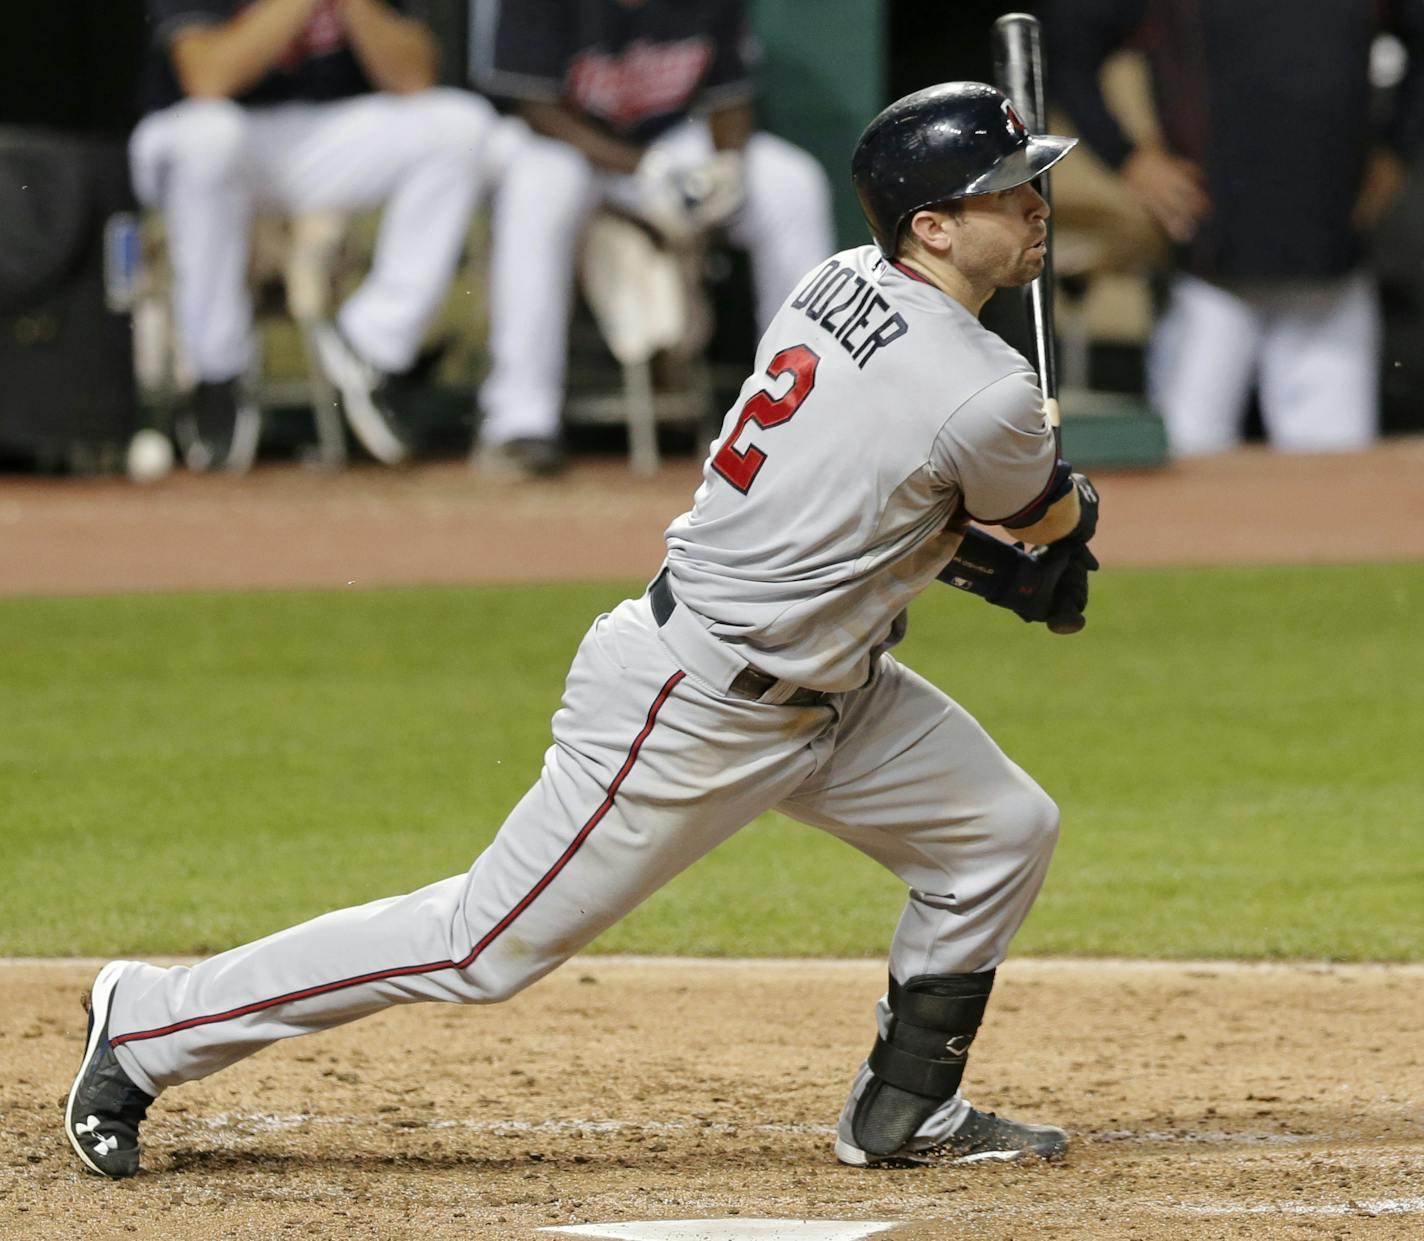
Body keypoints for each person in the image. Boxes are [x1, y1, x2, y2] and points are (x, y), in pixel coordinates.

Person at [65, 82, 1102, 1180]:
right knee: (479, 943)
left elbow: (879, 493)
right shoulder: (984, 388)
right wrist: (1059, 524)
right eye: (1005, 190)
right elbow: (1039, 508)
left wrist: (986, 550)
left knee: (997, 830)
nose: (1034, 204)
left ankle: (905, 1108)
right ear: (931, 226)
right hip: (694, 701)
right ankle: (146, 1020)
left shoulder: (838, 280)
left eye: (1030, 184)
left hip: (827, 683)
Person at [467, 0, 836, 477]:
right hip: (564, 148)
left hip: (667, 146)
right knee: (541, 186)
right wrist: (641, 169)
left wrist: (726, 167)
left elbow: (730, 97)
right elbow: (536, 108)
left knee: (790, 182)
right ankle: (518, 420)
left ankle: (806, 408)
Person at [1043, 0, 1424, 458]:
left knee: (1336, 478)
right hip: (1211, 275)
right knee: (1185, 466)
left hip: (1332, 267)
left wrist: (1398, 149)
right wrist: (1127, 158)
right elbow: (1064, 46)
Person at [131, 0, 500, 472]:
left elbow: (414, 76)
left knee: (461, 125)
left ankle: (372, 345)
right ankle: (216, 371)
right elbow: (208, 77)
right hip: (204, 134)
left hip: (320, 137)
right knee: (210, 139)